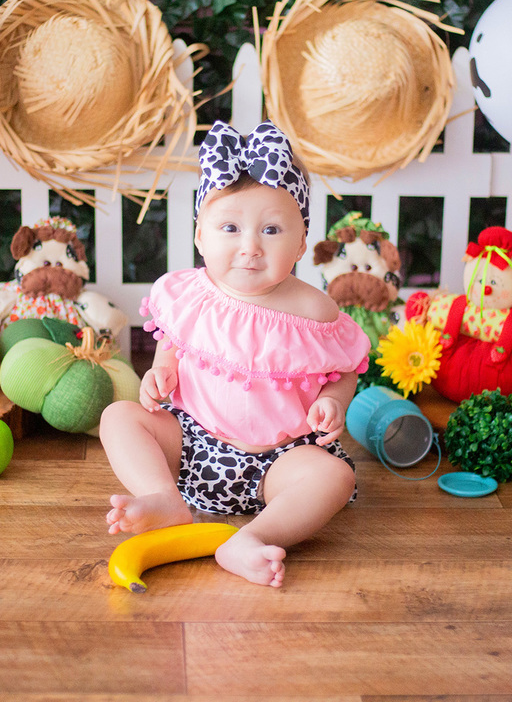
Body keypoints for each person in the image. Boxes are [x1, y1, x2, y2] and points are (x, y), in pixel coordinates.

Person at [100, 121, 371, 588]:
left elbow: (346, 369)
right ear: (201, 236)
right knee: (119, 417)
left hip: (280, 459)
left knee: (333, 477)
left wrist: (334, 401)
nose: (250, 248)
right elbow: (172, 339)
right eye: (230, 227)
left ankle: (254, 536)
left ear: (302, 241)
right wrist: (161, 370)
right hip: (192, 444)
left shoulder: (315, 310)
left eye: (271, 229)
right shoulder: (190, 292)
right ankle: (163, 497)